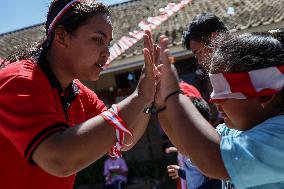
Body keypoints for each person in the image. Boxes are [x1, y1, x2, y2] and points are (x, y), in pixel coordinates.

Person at [0, 1, 161, 189]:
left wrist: (147, 100)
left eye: (108, 43)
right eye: (98, 40)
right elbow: (59, 159)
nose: (107, 52)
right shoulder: (18, 81)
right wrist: (139, 97)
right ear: (61, 37)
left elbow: (124, 138)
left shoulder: (81, 95)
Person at [156, 29, 284, 189]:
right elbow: (191, 149)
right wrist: (162, 105)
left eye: (225, 93)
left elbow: (211, 159)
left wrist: (174, 94)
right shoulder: (236, 130)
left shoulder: (279, 136)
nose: (215, 102)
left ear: (264, 95)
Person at [166, 85, 221, 189]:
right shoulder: (191, 147)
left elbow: (215, 181)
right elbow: (195, 174)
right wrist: (181, 172)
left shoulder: (208, 148)